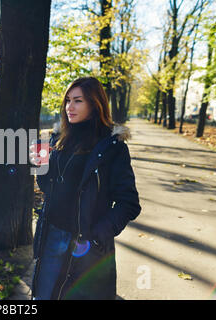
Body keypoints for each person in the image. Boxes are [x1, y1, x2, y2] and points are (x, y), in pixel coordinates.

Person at [30, 77, 141, 300]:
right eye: (68, 100)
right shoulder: (59, 138)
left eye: (78, 101)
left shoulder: (112, 147)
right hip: (51, 236)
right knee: (42, 296)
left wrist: (97, 235)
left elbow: (128, 203)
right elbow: (49, 188)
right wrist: (39, 165)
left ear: (94, 103)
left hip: (86, 242)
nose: (69, 107)